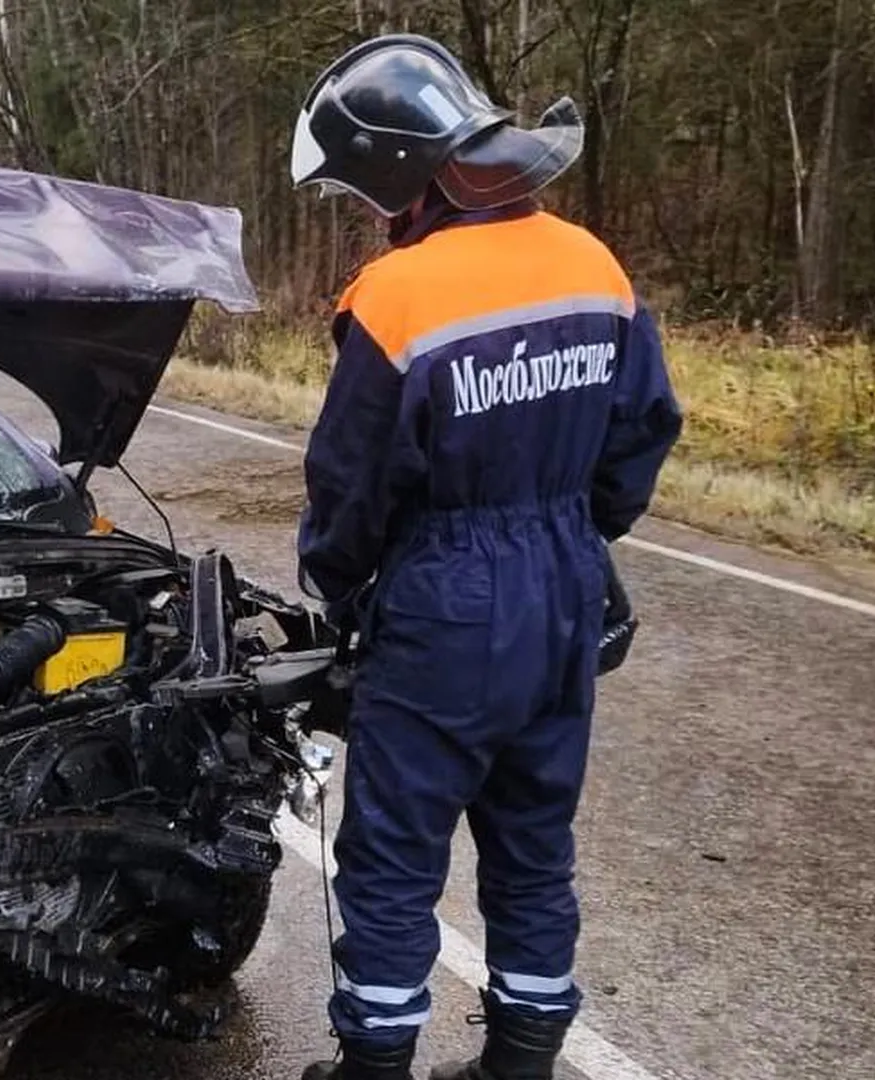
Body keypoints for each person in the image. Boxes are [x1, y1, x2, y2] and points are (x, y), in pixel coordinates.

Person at [287, 34, 682, 1080]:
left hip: (446, 596)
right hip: (562, 578)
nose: (366, 211)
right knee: (533, 843)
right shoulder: (590, 261)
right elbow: (644, 427)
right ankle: (523, 1059)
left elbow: (351, 487)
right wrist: (579, 535)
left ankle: (372, 1067)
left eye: (361, 189)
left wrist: (343, 588)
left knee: (392, 854)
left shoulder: (397, 294)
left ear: (396, 171)